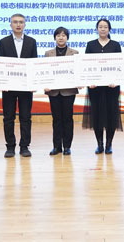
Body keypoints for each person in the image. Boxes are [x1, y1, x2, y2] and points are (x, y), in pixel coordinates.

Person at [0, 13, 38, 158]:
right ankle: (10, 146)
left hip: (25, 87)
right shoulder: (4, 42)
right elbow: (1, 64)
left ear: (25, 24)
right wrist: (2, 82)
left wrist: (33, 83)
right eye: (15, 22)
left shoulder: (31, 42)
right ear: (10, 25)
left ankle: (24, 146)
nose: (18, 24)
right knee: (8, 117)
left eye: (21, 22)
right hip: (9, 87)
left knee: (25, 117)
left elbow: (33, 64)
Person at [84, 18, 123, 154]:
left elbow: (120, 65)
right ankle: (99, 144)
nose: (103, 29)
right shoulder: (90, 45)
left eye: (105, 27)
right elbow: (86, 65)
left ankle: (109, 144)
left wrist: (116, 80)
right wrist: (89, 81)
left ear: (109, 29)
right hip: (95, 88)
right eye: (100, 27)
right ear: (97, 29)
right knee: (97, 115)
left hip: (112, 87)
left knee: (111, 115)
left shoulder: (115, 45)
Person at [44, 27, 79, 156]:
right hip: (53, 91)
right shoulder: (48, 53)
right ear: (55, 37)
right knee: (56, 119)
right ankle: (57, 146)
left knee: (68, 119)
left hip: (68, 91)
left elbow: (78, 71)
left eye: (63, 35)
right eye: (58, 35)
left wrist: (79, 81)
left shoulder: (75, 53)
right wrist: (45, 84)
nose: (61, 37)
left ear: (67, 37)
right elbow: (44, 71)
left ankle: (67, 146)